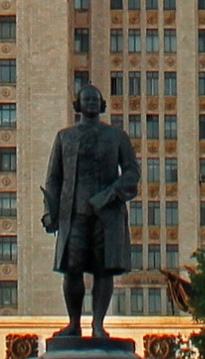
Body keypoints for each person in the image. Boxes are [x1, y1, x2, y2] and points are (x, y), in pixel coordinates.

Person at [42, 82, 140, 340]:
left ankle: (98, 325)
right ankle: (74, 323)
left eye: (96, 99)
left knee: (103, 269)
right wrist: (49, 212)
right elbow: (54, 177)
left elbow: (132, 173)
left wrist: (111, 194)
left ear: (102, 104)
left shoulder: (116, 136)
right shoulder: (65, 137)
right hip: (73, 214)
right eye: (86, 99)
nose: (91, 103)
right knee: (72, 269)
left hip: (106, 215)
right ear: (78, 105)